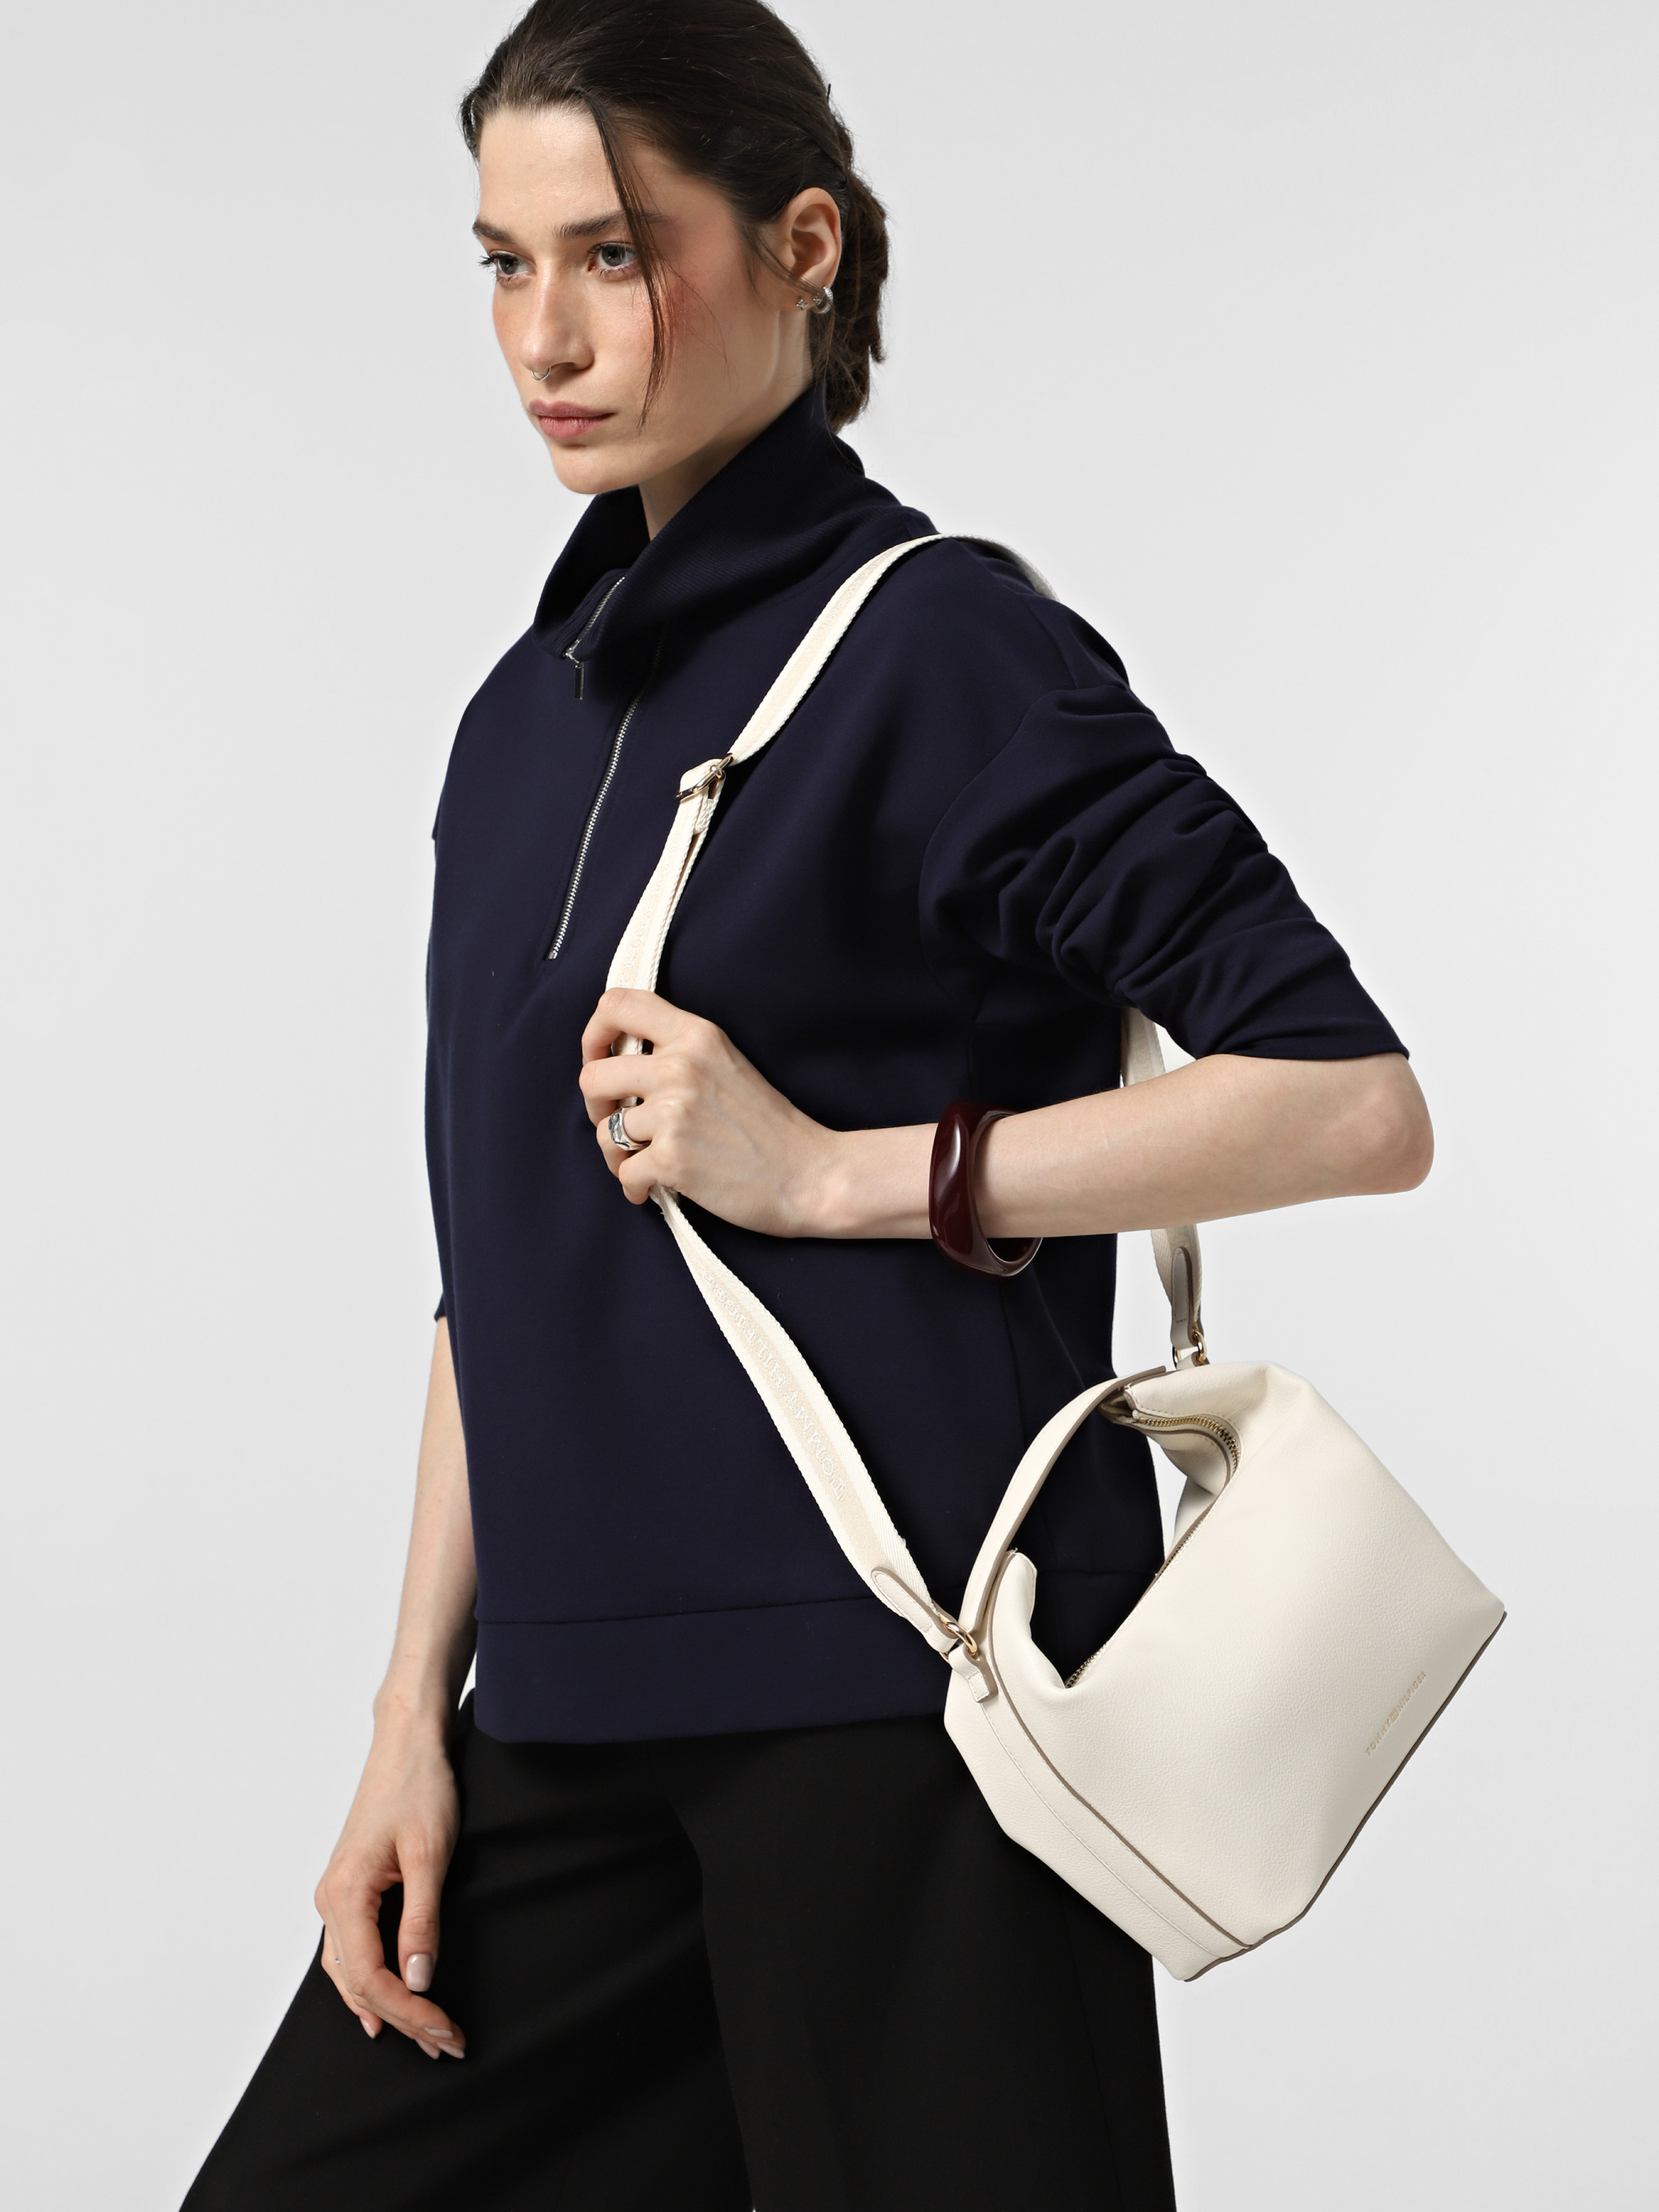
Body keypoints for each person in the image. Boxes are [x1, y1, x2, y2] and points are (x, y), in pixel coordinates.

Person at [183, 2, 1430, 2205]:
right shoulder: (522, 720)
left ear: (802, 246)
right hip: (567, 1719)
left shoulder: (940, 653)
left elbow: (1345, 1099)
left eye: (614, 252)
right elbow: (503, 1266)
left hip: (903, 1713)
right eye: (501, 263)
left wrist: (843, 1171)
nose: (546, 336)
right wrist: (410, 1715)